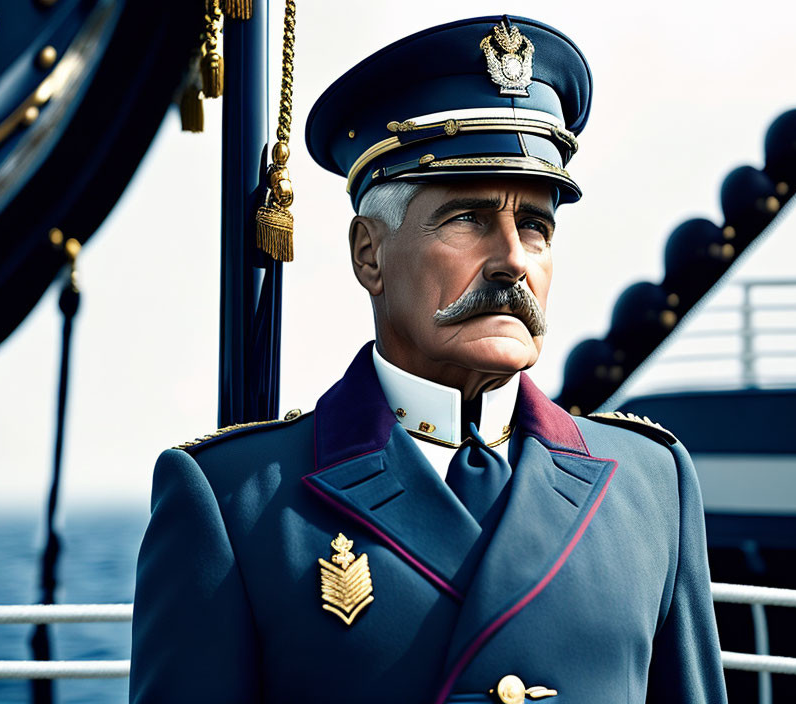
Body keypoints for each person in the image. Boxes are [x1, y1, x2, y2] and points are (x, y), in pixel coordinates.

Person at [130, 15, 727, 704]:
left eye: (535, 227)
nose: (511, 261)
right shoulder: (235, 502)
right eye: (469, 219)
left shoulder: (652, 485)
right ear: (369, 254)